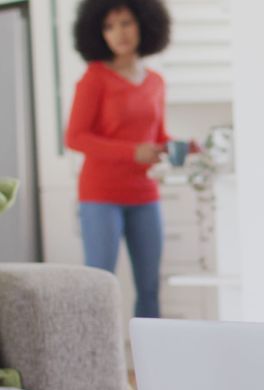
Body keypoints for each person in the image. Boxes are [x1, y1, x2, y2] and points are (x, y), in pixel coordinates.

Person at [66, 0, 182, 318]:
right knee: (99, 285)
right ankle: (94, 364)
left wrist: (181, 147)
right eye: (109, 26)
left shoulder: (156, 81)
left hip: (145, 195)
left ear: (145, 25)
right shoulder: (94, 78)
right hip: (101, 196)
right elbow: (75, 137)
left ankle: (151, 363)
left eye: (126, 23)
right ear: (97, 33)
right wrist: (132, 152)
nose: (119, 33)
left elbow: (157, 135)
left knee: (149, 287)